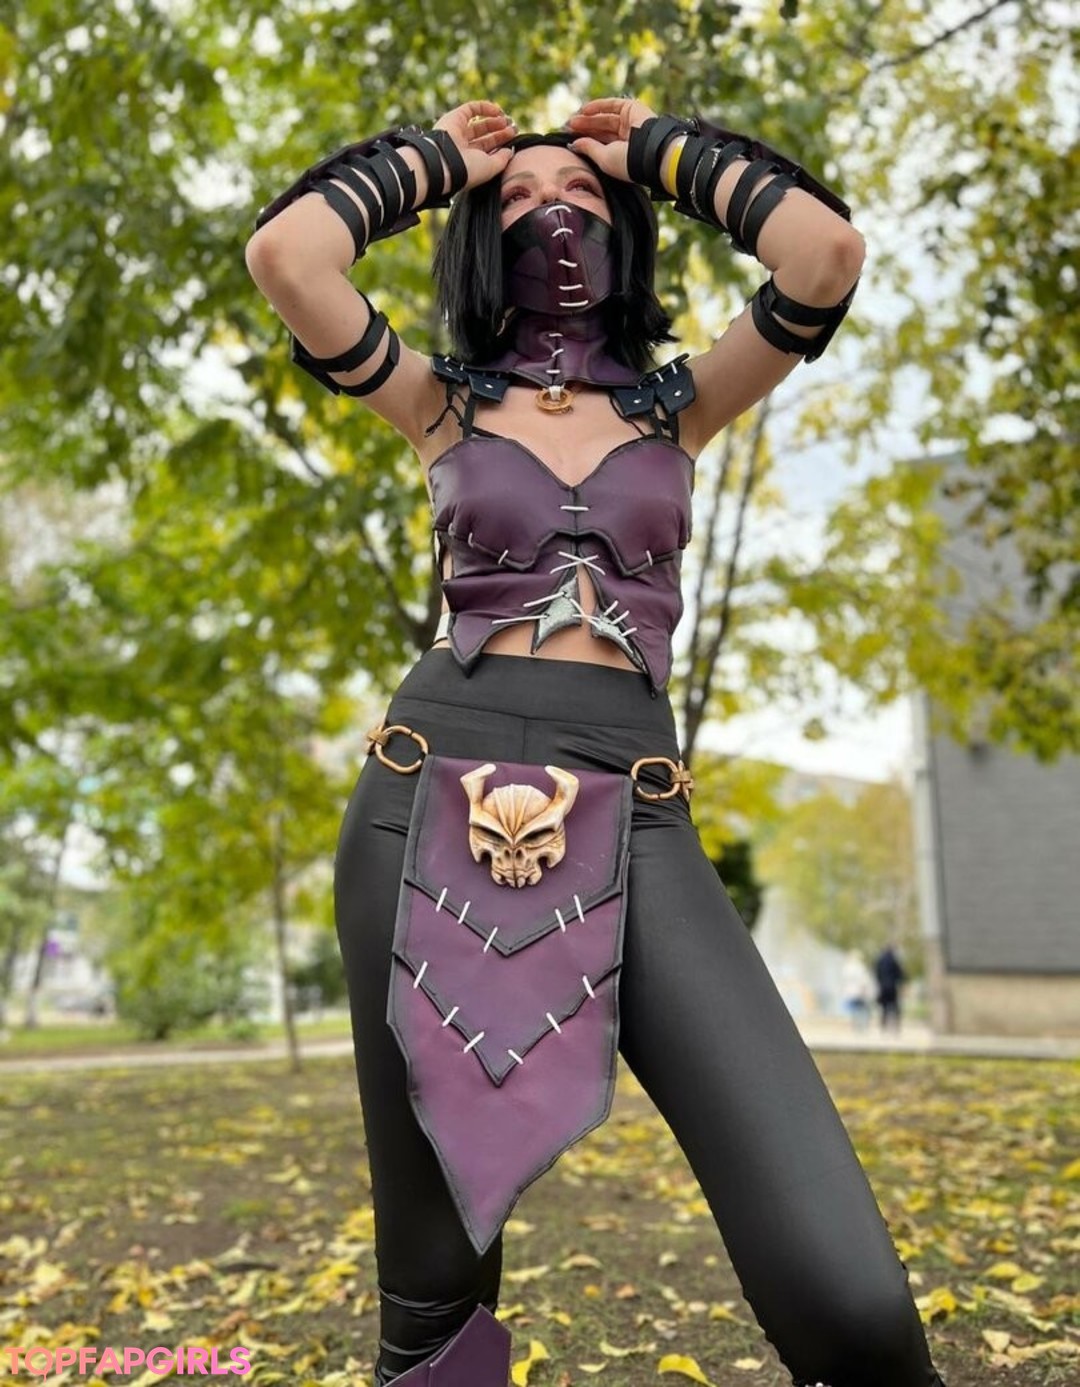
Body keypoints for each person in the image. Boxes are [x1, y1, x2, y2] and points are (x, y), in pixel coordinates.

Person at [246, 96, 947, 1387]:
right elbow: (289, 257)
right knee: (436, 1315)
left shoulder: (683, 407)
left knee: (852, 1301)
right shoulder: (438, 404)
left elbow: (825, 256)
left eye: (577, 191)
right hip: (426, 800)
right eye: (516, 199)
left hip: (637, 806)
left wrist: (662, 152)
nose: (548, 208)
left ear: (624, 222)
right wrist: (438, 162)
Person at [875, 941, 907, 1032]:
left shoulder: (880, 960)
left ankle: (883, 1025)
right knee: (895, 1006)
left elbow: (876, 972)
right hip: (892, 986)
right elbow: (899, 973)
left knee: (884, 1007)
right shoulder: (894, 959)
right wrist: (902, 982)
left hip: (883, 986)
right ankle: (896, 1025)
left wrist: (880, 982)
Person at [841, 948, 874, 1031]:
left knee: (854, 1010)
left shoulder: (847, 968)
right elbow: (864, 980)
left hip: (850, 991)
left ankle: (855, 1025)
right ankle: (861, 1025)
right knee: (861, 1009)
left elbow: (844, 980)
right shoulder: (860, 967)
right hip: (859, 991)